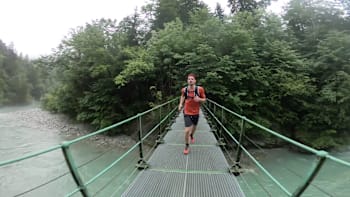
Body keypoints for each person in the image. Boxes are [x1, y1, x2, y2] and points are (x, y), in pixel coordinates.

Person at [178, 73, 206, 155]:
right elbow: (182, 96)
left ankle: (192, 136)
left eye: (192, 79)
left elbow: (204, 99)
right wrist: (180, 104)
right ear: (187, 81)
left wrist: (199, 99)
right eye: (189, 79)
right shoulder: (184, 90)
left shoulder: (200, 89)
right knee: (187, 130)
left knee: (194, 127)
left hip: (196, 112)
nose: (190, 80)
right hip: (186, 111)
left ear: (195, 81)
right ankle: (187, 146)